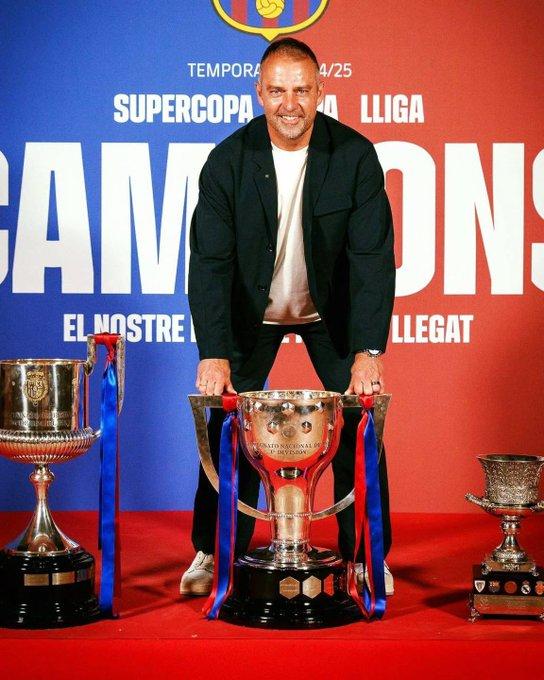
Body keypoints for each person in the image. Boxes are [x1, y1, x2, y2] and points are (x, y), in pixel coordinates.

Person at [181, 38, 395, 597]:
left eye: (301, 90)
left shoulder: (355, 157)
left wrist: (369, 351)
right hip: (252, 312)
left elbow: (372, 259)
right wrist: (214, 352)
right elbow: (209, 264)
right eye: (277, 91)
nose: (290, 104)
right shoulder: (227, 161)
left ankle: (367, 555)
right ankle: (213, 550)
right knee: (227, 425)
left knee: (360, 422)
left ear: (321, 90)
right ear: (259, 92)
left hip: (331, 310)